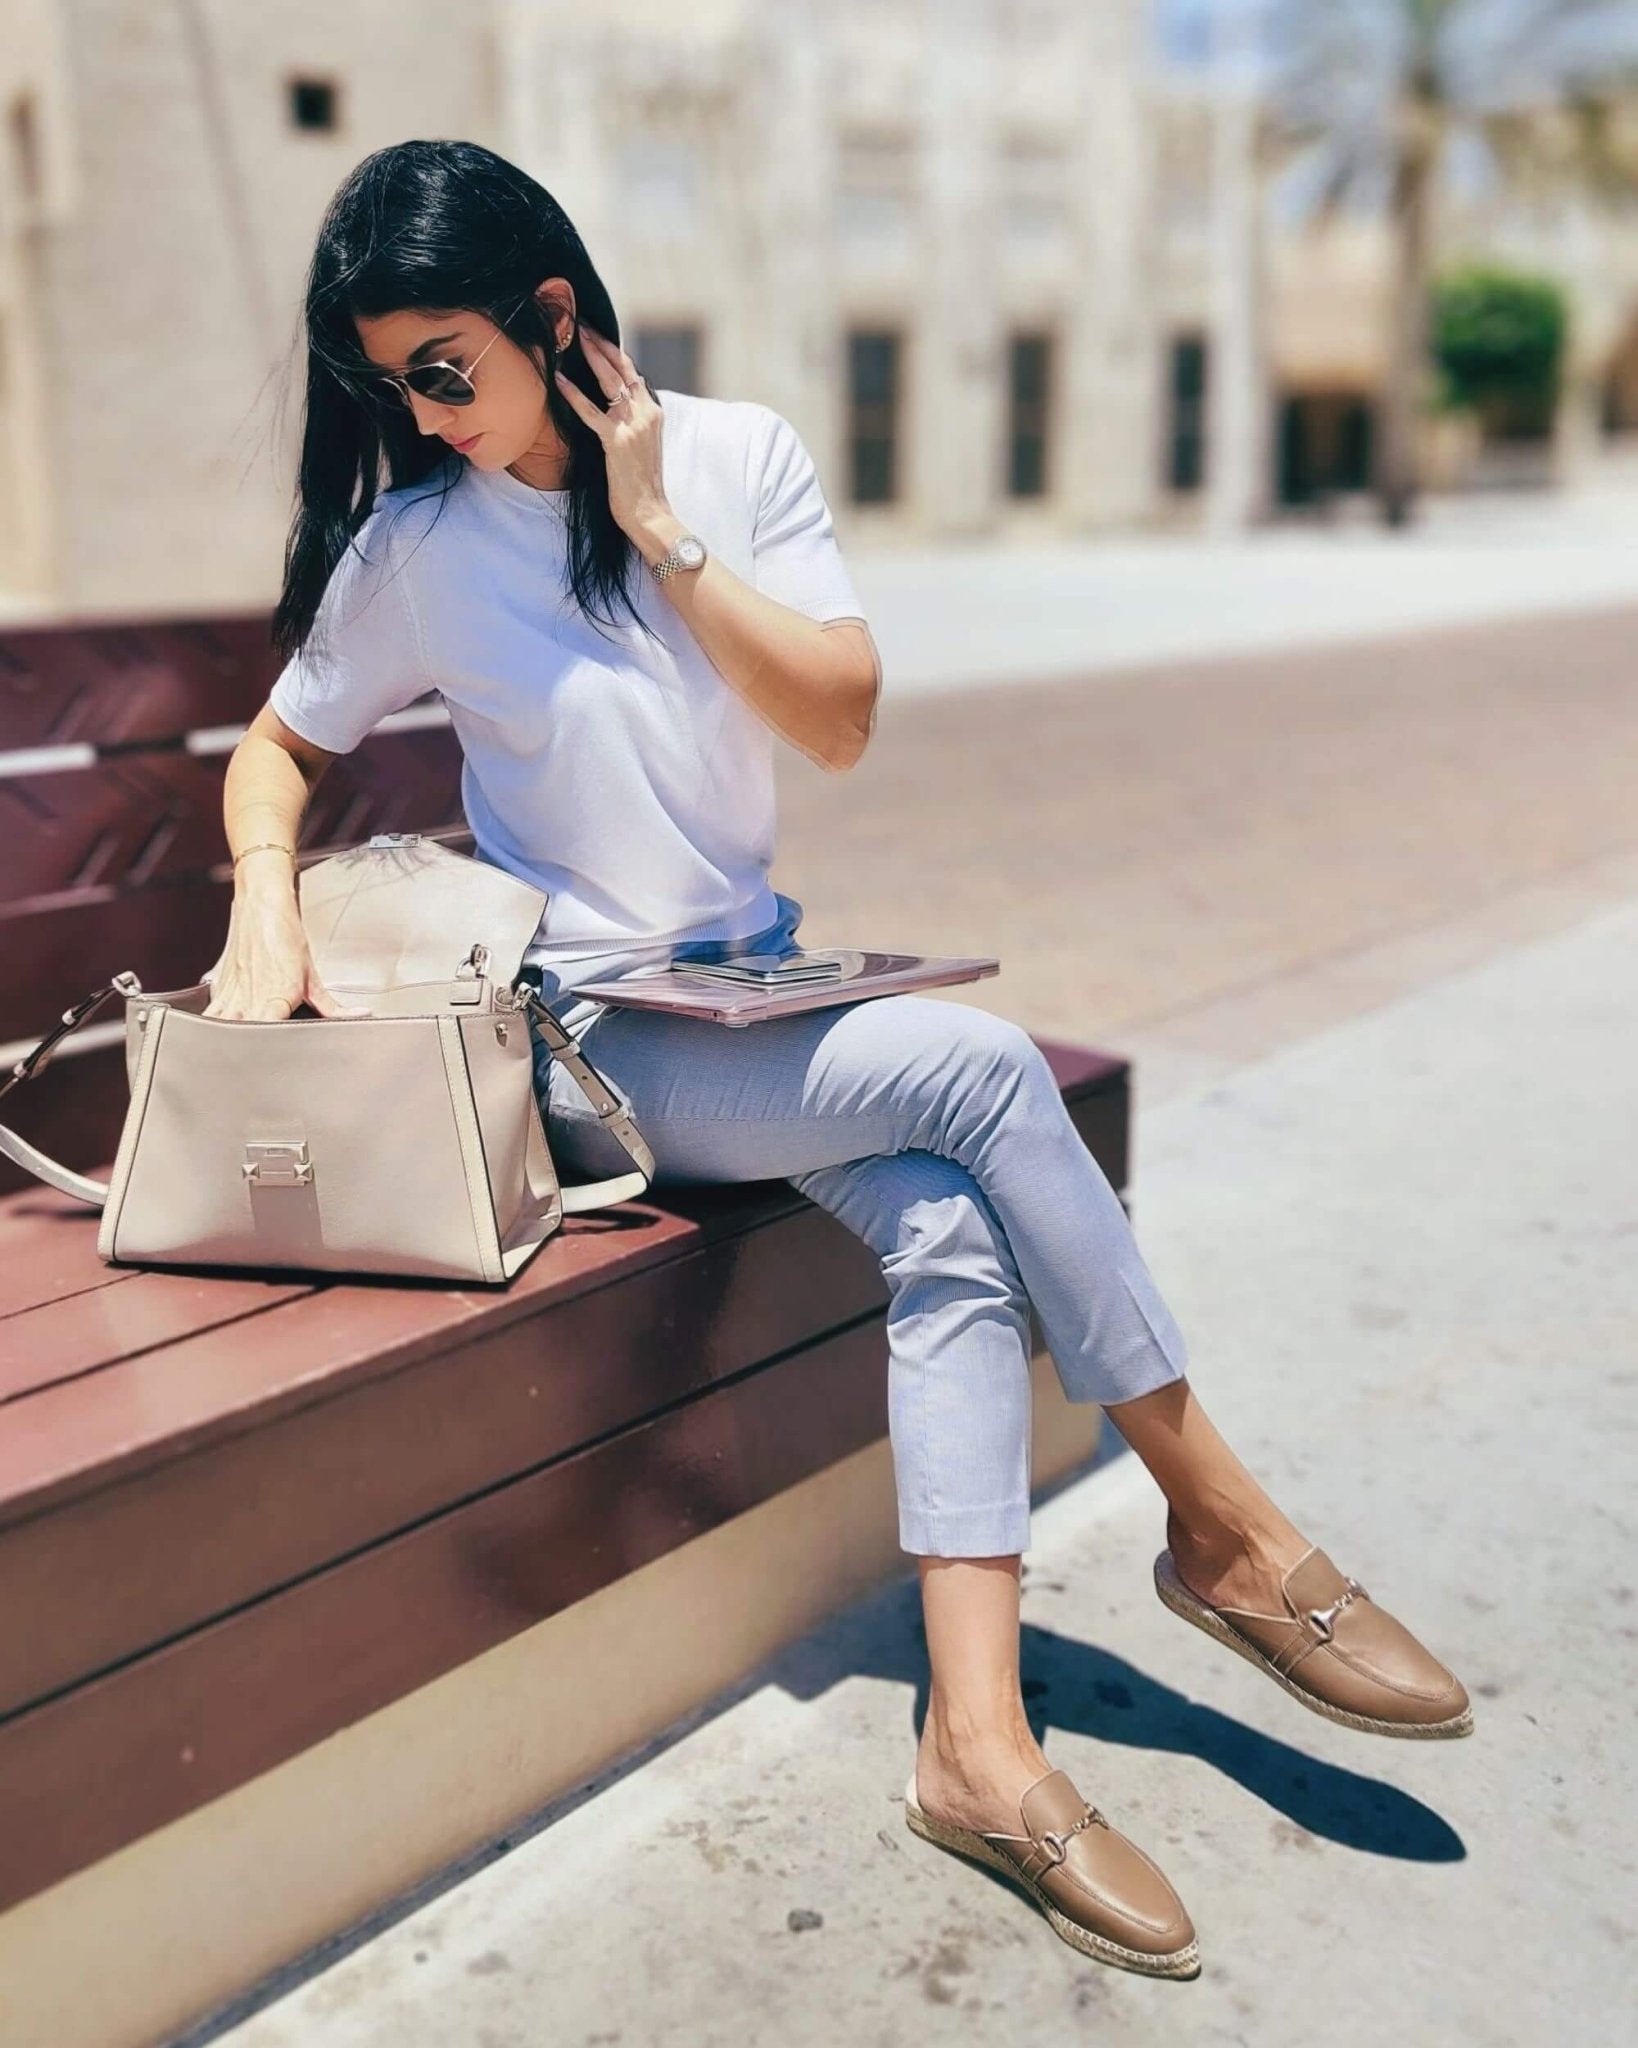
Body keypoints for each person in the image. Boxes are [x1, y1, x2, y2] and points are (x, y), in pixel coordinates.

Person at [206, 140, 1471, 1980]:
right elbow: (273, 753)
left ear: (552, 315)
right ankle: (1224, 1524)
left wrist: (660, 532)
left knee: (952, 1225)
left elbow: (841, 719)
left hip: (745, 1003)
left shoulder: (735, 460)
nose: (423, 414)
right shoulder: (410, 554)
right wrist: (261, 901)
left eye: (445, 368)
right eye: (387, 382)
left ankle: (975, 1746)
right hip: (573, 1040)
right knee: (975, 1074)